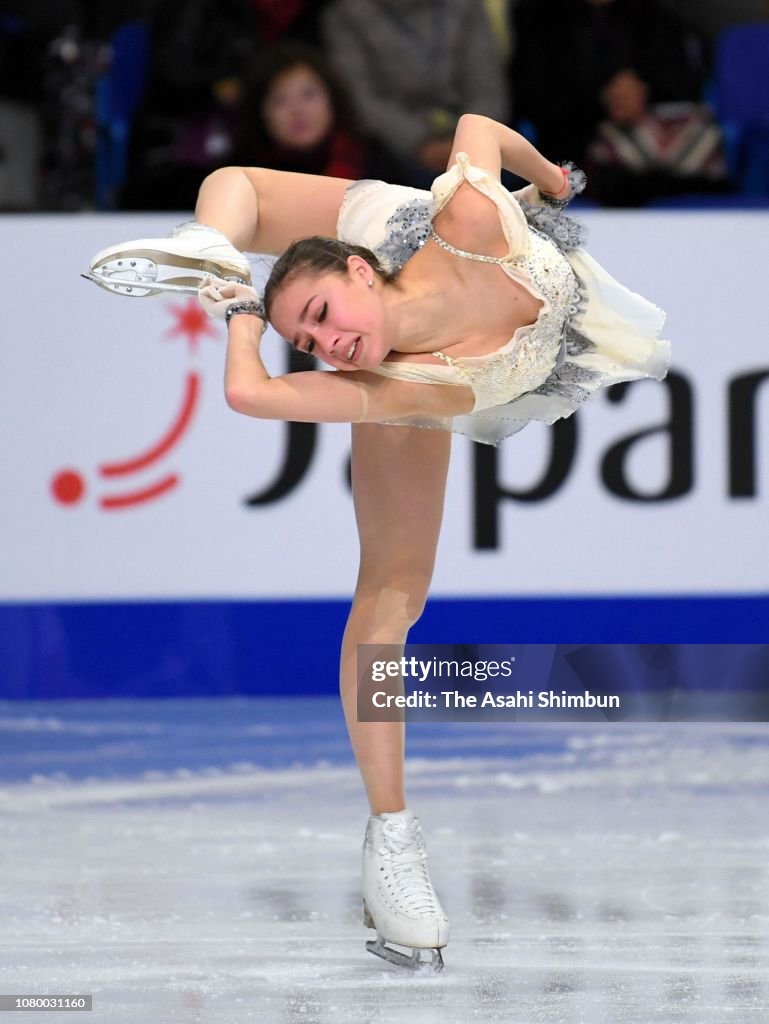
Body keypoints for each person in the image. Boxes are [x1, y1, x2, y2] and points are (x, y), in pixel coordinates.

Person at [85, 112, 670, 969]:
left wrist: (545, 176)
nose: (326, 347)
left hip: (427, 245)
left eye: (320, 316)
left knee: (264, 193)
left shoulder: (463, 220)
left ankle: (225, 248)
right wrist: (242, 306)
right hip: (427, 371)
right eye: (308, 345)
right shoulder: (389, 379)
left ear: (357, 271)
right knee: (391, 598)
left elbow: (475, 122)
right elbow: (252, 396)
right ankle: (391, 840)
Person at [230, 42, 369, 181]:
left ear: (332, 98)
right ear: (260, 113)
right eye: (279, 100)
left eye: (308, 94)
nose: (297, 110)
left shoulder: (369, 160)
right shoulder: (240, 180)